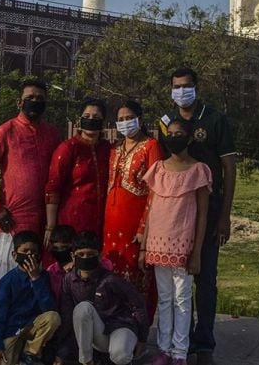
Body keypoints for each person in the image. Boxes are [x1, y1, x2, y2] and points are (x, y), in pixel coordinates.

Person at [161, 67, 236, 364]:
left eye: (187, 85)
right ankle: (181, 341)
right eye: (176, 86)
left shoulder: (215, 119)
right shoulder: (167, 122)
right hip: (176, 211)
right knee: (177, 283)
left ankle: (204, 344)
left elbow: (229, 168)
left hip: (209, 207)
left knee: (204, 279)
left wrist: (225, 215)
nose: (182, 91)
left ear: (197, 87)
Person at [0, 78, 61, 332]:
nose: (35, 102)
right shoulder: (5, 131)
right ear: (19, 102)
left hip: (43, 222)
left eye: (40, 98)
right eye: (30, 97)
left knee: (38, 279)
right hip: (11, 222)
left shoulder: (52, 134)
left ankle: (30, 334)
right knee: (6, 280)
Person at [141, 118, 211, 365]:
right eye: (169, 133)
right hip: (157, 244)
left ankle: (180, 352)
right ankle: (164, 349)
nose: (173, 138)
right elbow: (151, 209)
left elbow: (202, 215)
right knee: (165, 297)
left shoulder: (199, 170)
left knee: (182, 299)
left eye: (179, 134)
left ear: (190, 138)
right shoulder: (158, 168)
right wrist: (144, 244)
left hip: (183, 244)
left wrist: (197, 252)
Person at [102, 100, 162, 318]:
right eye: (121, 119)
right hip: (110, 225)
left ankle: (137, 330)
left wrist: (144, 229)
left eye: (129, 118)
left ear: (140, 119)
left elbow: (155, 191)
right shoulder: (114, 148)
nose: (125, 123)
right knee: (111, 273)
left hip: (135, 225)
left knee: (137, 275)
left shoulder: (151, 146)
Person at [58, 231, 149, 365]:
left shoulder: (110, 280)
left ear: (100, 256)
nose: (85, 258)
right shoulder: (69, 280)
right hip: (98, 333)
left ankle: (124, 357)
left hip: (121, 326)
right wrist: (57, 349)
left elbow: (138, 304)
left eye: (90, 255)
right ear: (73, 256)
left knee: (120, 355)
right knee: (82, 308)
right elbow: (67, 315)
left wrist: (142, 338)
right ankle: (87, 361)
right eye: (81, 255)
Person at [0, 231, 62, 365]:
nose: (29, 255)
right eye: (25, 251)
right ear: (15, 255)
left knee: (53, 317)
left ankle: (31, 352)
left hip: (34, 328)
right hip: (13, 330)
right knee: (4, 360)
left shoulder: (44, 277)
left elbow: (49, 308)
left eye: (33, 252)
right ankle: (14, 350)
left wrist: (36, 279)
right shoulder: (8, 281)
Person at [44, 98, 112, 243]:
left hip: (102, 219)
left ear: (103, 123)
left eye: (96, 117)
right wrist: (51, 226)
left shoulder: (107, 149)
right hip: (72, 218)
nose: (91, 120)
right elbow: (53, 188)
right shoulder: (69, 148)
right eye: (87, 117)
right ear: (79, 120)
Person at [46, 225, 113, 304]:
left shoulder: (101, 262)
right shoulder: (51, 271)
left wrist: (80, 267)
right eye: (56, 248)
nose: (60, 251)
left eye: (65, 247)